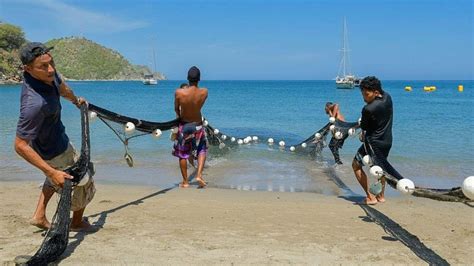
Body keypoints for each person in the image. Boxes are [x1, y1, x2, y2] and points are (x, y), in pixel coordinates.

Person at [14, 42, 96, 231]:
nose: (51, 69)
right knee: (83, 179)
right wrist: (51, 171)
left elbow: (63, 88)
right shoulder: (34, 104)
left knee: (57, 174)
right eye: (43, 66)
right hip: (54, 149)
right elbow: (19, 145)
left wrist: (76, 101)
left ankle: (39, 215)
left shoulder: (49, 76)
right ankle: (76, 222)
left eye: (51, 63)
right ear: (27, 69)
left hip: (52, 140)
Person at [352, 76, 393, 205]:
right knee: (381, 168)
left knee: (356, 165)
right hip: (386, 141)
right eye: (362, 93)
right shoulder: (388, 98)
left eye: (366, 94)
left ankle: (370, 197)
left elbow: (364, 127)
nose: (364, 97)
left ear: (376, 92)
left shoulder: (368, 109)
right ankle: (381, 196)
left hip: (372, 143)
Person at [172, 66, 208, 188]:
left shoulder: (179, 92)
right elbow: (199, 106)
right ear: (199, 79)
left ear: (187, 78)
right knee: (202, 150)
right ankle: (198, 175)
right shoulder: (204, 92)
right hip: (198, 125)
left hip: (184, 125)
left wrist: (180, 116)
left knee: (182, 154)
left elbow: (176, 108)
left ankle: (186, 181)